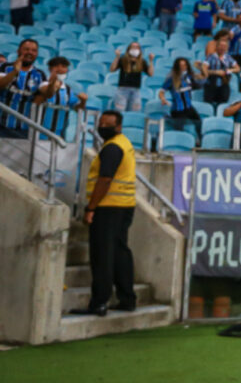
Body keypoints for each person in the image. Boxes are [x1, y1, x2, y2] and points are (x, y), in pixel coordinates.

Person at [70, 111, 137, 317]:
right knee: (119, 253)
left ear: (118, 127)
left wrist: (91, 208)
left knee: (102, 256)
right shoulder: (124, 142)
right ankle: (127, 299)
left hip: (108, 207)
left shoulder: (112, 148)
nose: (102, 127)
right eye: (100, 123)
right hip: (125, 205)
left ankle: (99, 302)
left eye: (107, 124)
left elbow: (105, 179)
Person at [0, 39, 45, 138]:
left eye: (34, 50)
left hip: (24, 129)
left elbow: (42, 97)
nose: (30, 52)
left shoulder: (40, 74)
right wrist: (14, 72)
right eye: (26, 49)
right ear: (18, 51)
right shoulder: (4, 67)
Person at [34, 56, 86, 140]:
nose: (60, 69)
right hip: (39, 133)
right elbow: (47, 94)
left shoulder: (68, 89)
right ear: (50, 69)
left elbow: (77, 108)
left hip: (59, 134)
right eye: (56, 66)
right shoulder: (43, 84)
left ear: (67, 70)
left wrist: (83, 101)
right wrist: (53, 82)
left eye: (63, 66)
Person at [159, 58, 205, 137]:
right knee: (179, 130)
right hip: (178, 109)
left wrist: (200, 67)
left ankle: (199, 142)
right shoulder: (171, 79)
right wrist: (163, 99)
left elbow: (203, 76)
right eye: (181, 65)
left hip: (189, 107)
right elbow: (161, 91)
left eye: (185, 65)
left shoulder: (189, 77)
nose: (183, 67)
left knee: (199, 123)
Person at [111, 44, 154, 112]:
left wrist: (151, 61)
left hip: (136, 90)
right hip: (122, 89)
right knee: (119, 111)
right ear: (129, 49)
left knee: (135, 111)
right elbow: (112, 69)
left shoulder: (142, 62)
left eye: (137, 47)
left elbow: (150, 74)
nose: (135, 49)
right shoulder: (123, 59)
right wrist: (117, 57)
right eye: (133, 47)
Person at [202, 34, 239, 106]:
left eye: (225, 46)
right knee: (208, 104)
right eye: (221, 46)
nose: (222, 48)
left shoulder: (228, 58)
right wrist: (216, 72)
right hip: (211, 85)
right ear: (217, 46)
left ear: (227, 48)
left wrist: (229, 71)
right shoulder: (210, 57)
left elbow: (237, 68)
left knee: (223, 104)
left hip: (224, 85)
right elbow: (204, 68)